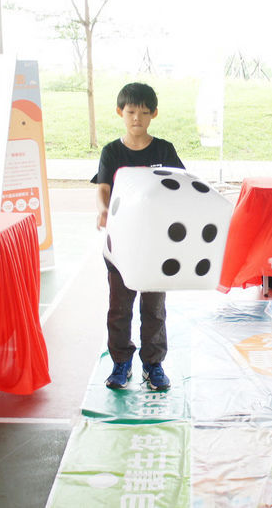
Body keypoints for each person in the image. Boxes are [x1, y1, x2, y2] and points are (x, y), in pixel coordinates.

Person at [92, 82, 184, 391]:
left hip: (156, 246)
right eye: (131, 112)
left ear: (153, 114)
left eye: (144, 113)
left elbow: (180, 187)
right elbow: (103, 188)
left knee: (153, 308)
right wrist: (103, 211)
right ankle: (121, 363)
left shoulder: (164, 150)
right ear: (120, 112)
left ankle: (153, 365)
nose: (137, 119)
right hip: (119, 245)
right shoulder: (111, 151)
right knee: (119, 307)